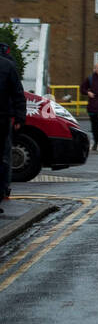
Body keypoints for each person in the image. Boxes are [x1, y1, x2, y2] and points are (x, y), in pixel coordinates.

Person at [1, 42, 26, 213]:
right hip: (2, 119)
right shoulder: (8, 65)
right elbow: (18, 94)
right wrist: (19, 118)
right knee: (3, 158)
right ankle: (2, 192)